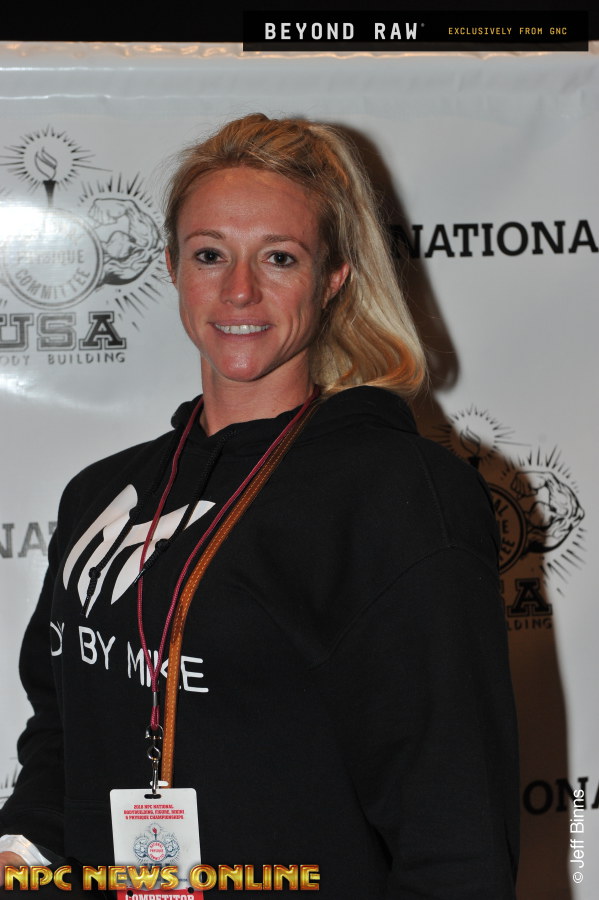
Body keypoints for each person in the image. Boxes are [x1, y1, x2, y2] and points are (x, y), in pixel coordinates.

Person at [0, 113, 519, 897]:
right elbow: (64, 729)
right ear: (172, 266)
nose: (238, 290)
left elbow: (454, 825)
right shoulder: (102, 495)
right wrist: (22, 856)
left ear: (333, 277)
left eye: (279, 257)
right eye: (210, 254)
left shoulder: (396, 496)